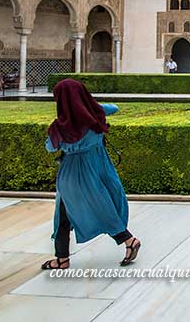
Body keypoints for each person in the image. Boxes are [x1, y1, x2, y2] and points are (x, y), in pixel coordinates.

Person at [42, 79, 141, 270]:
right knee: (103, 207)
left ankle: (62, 259)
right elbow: (114, 107)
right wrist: (89, 105)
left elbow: (50, 147)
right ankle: (129, 240)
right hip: (98, 168)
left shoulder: (61, 128)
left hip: (73, 175)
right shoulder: (95, 115)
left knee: (63, 215)